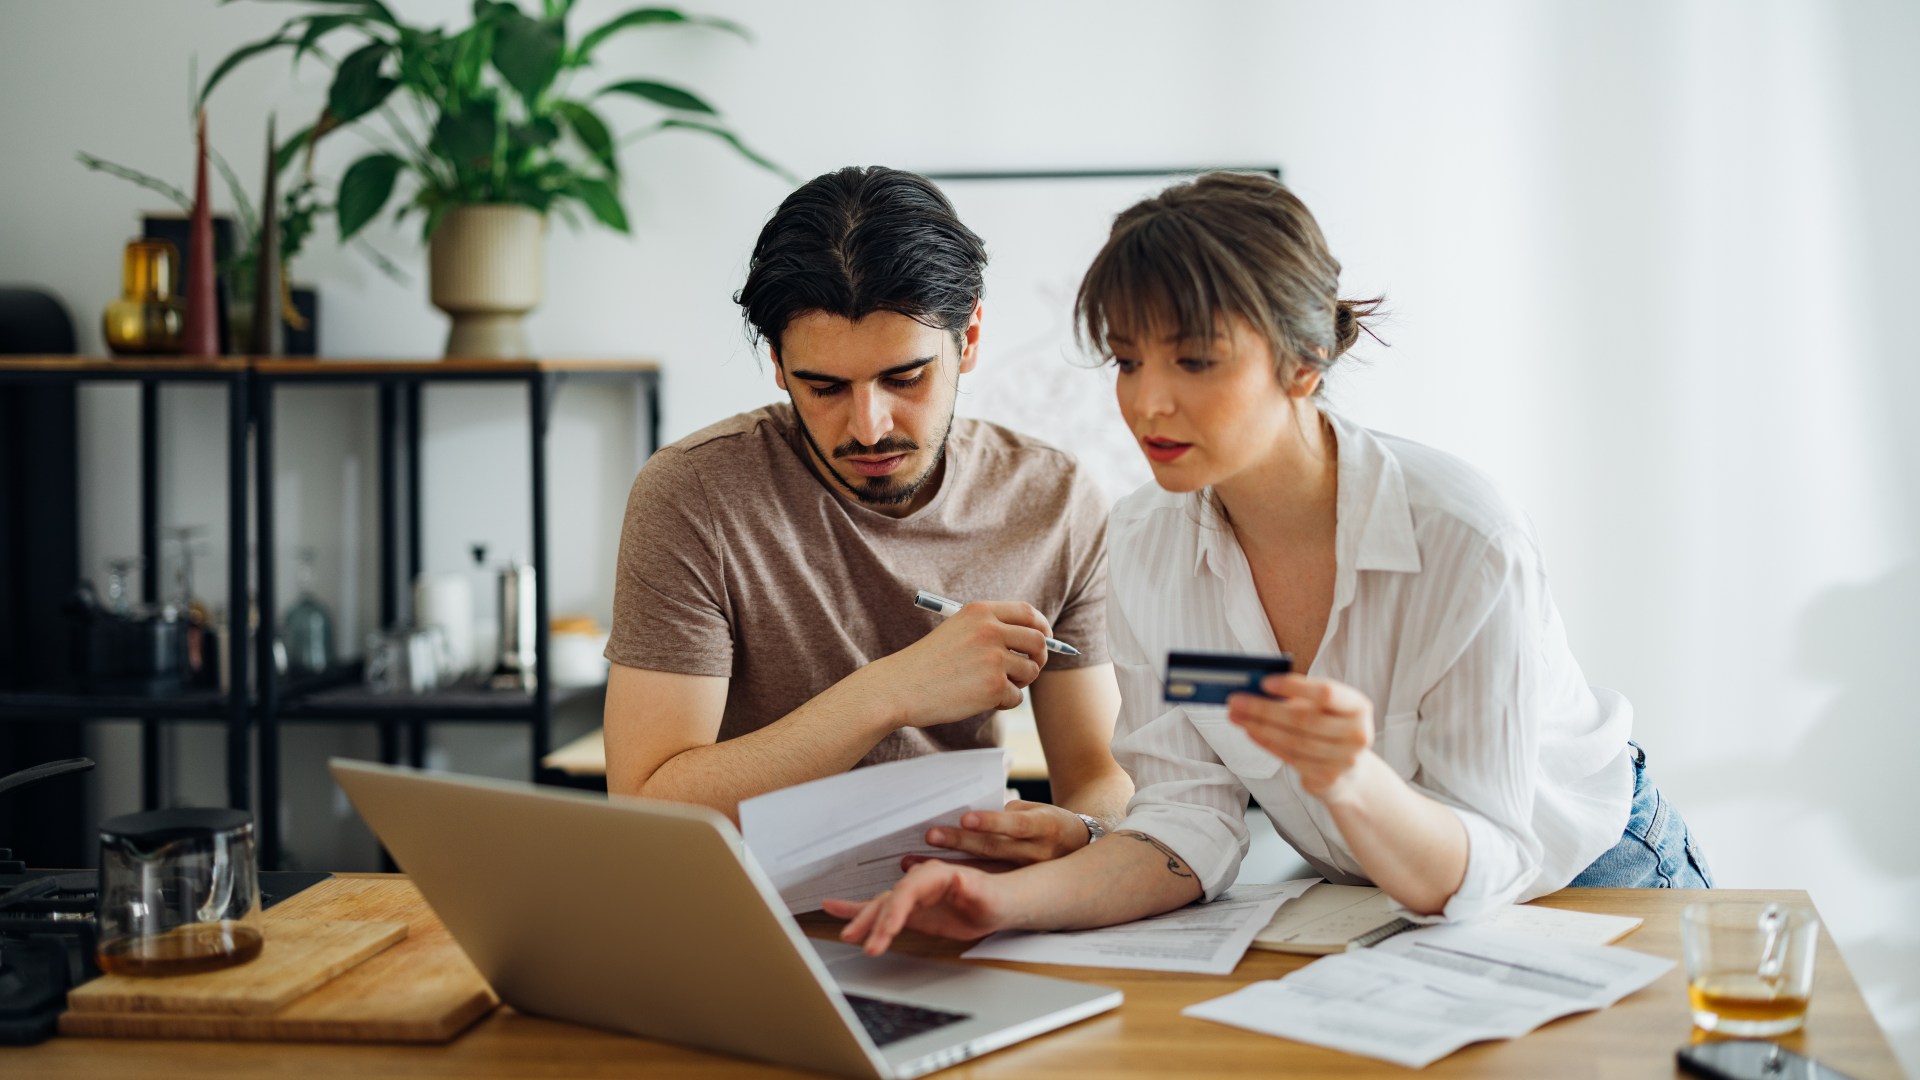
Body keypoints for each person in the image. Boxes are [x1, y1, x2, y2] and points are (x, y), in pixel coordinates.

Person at [827, 171, 1712, 954]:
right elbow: (1186, 825)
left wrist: (1351, 778)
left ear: (1306, 359)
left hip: (1590, 882)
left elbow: (1489, 858)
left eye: (1196, 360)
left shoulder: (1463, 539)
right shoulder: (1142, 539)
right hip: (1378, 907)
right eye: (1128, 361)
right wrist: (1000, 901)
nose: (1146, 401)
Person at [602, 166, 1132, 862]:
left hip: (962, 906)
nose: (870, 426)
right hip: (752, 918)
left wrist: (1082, 829)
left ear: (968, 338)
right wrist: (890, 692)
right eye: (822, 386)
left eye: (904, 378)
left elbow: (1098, 775)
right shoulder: (693, 495)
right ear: (778, 364)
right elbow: (647, 805)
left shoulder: (1053, 501)